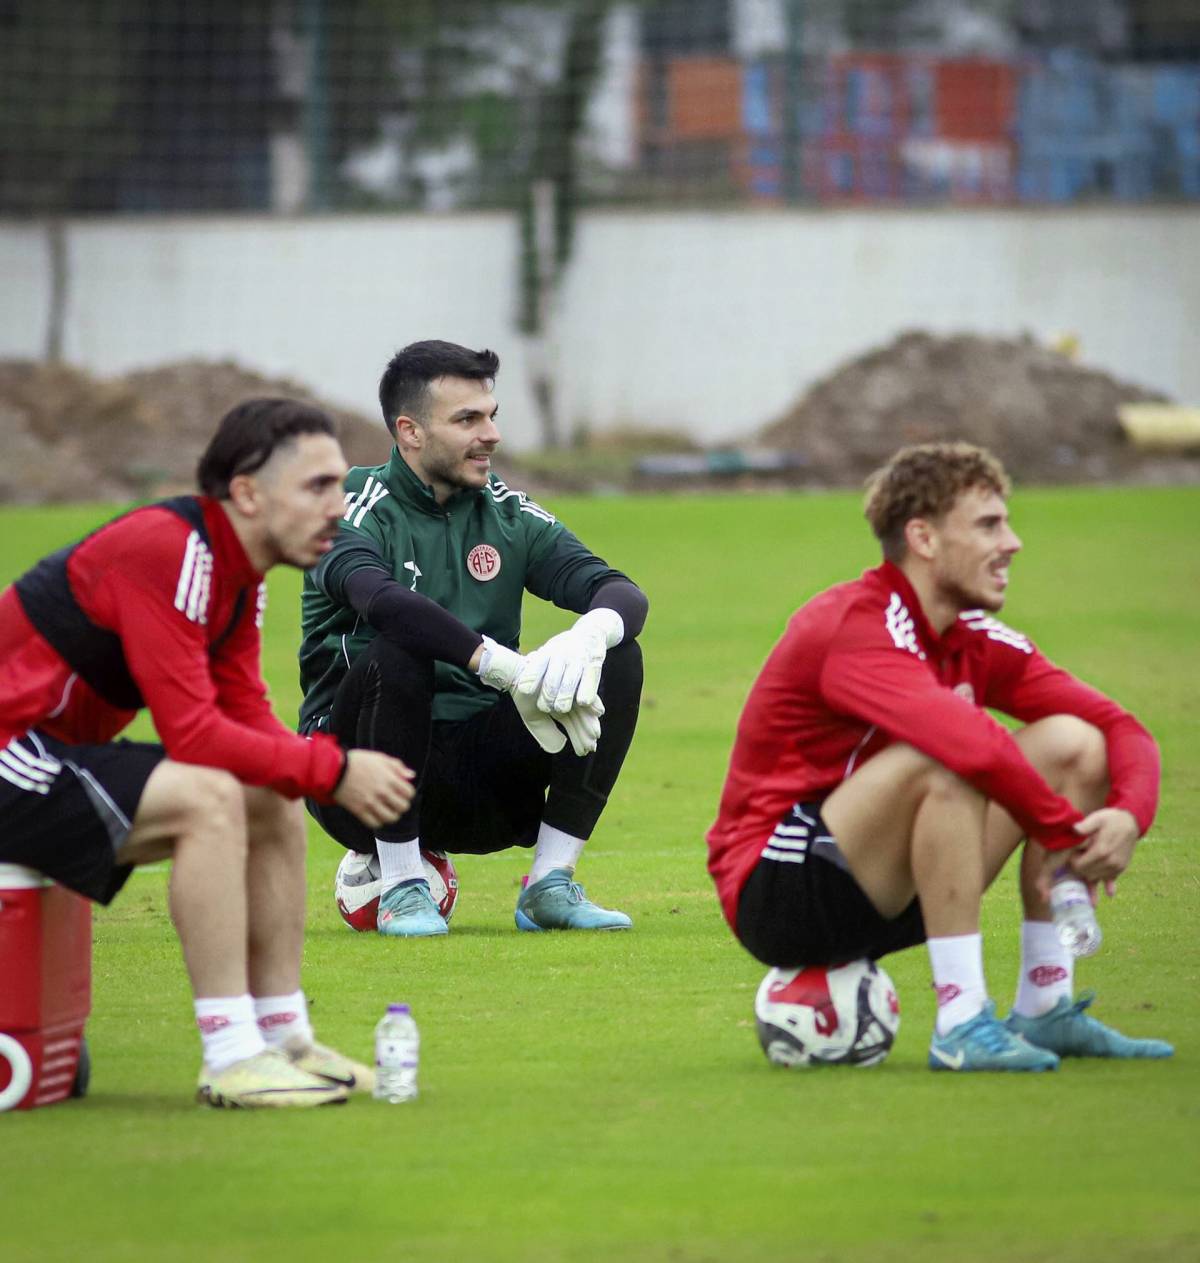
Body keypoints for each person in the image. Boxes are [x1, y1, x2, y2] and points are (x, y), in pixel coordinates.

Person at [0, 399, 416, 1108]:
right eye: (317, 487)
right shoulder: (173, 549)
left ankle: (284, 1036)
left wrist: (311, 768)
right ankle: (229, 1053)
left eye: (340, 487)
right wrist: (337, 770)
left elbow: (244, 709)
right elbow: (193, 734)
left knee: (267, 791)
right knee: (208, 796)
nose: (339, 509)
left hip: (48, 758)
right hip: (16, 755)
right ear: (249, 493)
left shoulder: (236, 573)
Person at [707, 441, 1172, 1072]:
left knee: (1074, 744)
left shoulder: (973, 636)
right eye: (988, 524)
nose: (1012, 543)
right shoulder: (855, 622)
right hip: (779, 890)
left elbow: (1121, 726)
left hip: (893, 881)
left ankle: (1045, 1006)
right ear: (923, 537)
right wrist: (1068, 834)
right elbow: (970, 748)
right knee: (946, 757)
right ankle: (960, 1020)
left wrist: (1127, 818)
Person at [298, 340, 647, 937]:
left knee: (618, 653)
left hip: (481, 787)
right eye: (467, 420)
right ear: (409, 432)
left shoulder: (506, 512)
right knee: (400, 644)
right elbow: (384, 603)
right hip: (353, 782)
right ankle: (403, 885)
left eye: (491, 415)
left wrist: (588, 636)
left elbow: (619, 591)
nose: (491, 435)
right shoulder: (348, 509)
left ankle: (550, 884)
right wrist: (506, 667)